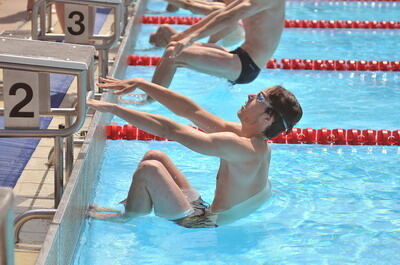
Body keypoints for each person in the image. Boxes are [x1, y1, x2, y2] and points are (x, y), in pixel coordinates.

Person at [87, 77, 302, 228]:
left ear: (267, 119)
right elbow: (192, 112)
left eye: (260, 98)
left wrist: (113, 109)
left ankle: (128, 219)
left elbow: (170, 130)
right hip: (205, 211)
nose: (251, 95)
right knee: (155, 156)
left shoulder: (242, 148)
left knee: (149, 169)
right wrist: (143, 84)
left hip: (201, 225)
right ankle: (136, 207)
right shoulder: (253, 140)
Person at [150, 0, 285, 91]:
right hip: (238, 55)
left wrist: (190, 38)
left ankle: (149, 100)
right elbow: (222, 14)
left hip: (247, 65)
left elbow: (229, 17)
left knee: (174, 54)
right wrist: (184, 36)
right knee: (173, 44)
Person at [149, 0, 244, 48]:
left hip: (211, 54)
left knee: (164, 29)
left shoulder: (221, 9)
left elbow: (188, 5)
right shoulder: (228, 9)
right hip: (218, 50)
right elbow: (191, 3)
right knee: (157, 35)